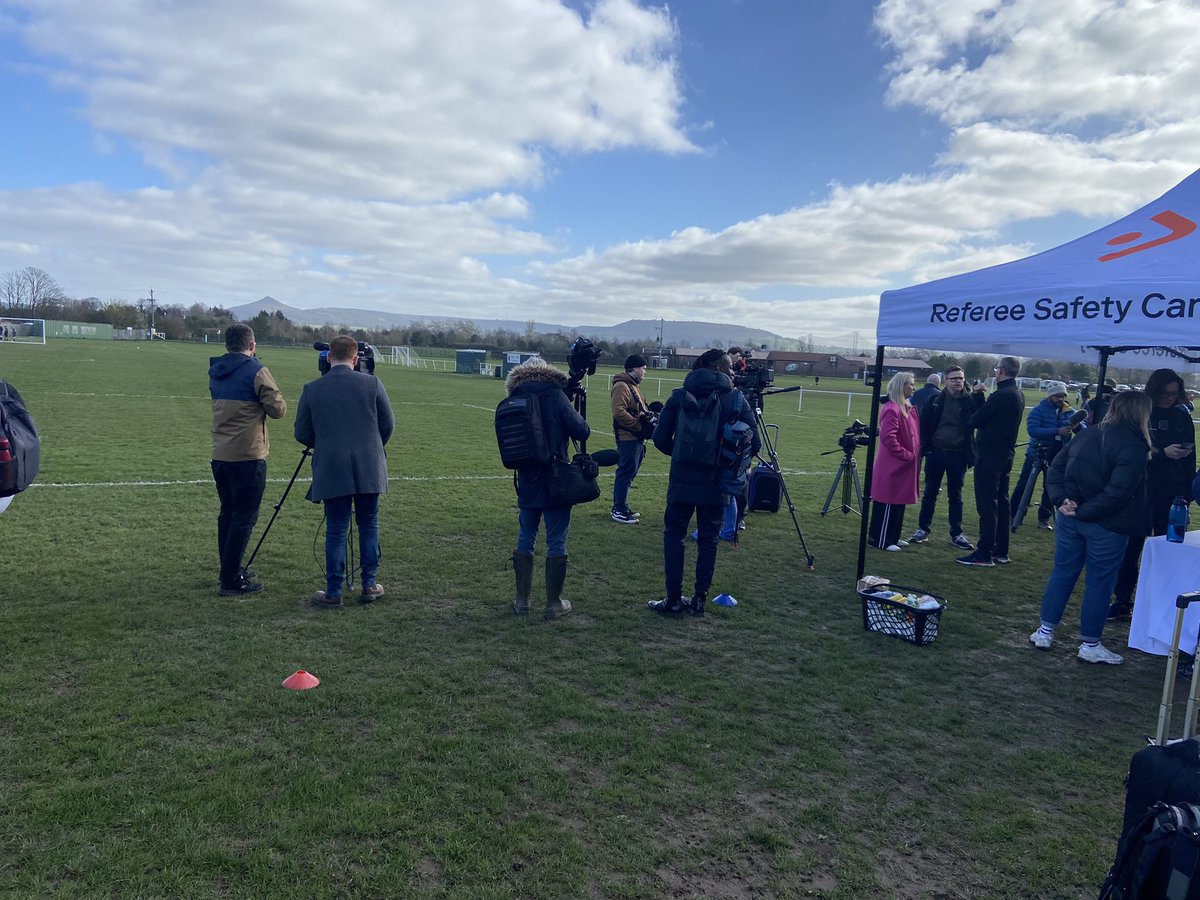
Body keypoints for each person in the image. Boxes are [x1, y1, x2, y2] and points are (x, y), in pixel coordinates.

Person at [1029, 391, 1153, 665]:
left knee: (1063, 573)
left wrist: (1063, 502)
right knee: (1099, 583)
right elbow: (1119, 492)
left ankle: (1045, 631)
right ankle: (1089, 643)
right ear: (1142, 414)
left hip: (1073, 517)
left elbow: (1056, 470)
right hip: (1105, 524)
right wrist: (1072, 506)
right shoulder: (1134, 445)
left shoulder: (1088, 433)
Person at [649, 349, 759, 615]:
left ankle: (673, 599)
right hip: (716, 481)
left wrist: (681, 455)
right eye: (730, 367)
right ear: (718, 369)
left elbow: (660, 438)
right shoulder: (735, 400)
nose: (734, 372)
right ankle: (699, 599)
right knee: (708, 540)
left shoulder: (678, 396)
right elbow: (753, 443)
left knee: (673, 537)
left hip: (681, 480)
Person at [294, 335, 395, 609]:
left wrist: (326, 444)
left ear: (328, 357)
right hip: (370, 466)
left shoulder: (312, 388)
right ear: (355, 358)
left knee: (337, 529)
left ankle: (333, 591)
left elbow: (301, 433)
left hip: (332, 467)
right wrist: (371, 448)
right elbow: (388, 425)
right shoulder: (373, 384)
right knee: (369, 523)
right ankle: (369, 584)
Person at [503, 357, 590, 620]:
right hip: (556, 478)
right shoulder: (555, 395)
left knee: (525, 536)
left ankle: (522, 601)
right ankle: (553, 603)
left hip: (527, 478)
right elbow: (582, 431)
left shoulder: (515, 396)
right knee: (556, 539)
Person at [1108, 369, 1196, 620]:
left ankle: (1161, 603)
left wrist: (1186, 493)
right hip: (1142, 492)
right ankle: (1122, 600)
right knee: (1132, 549)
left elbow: (1191, 455)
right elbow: (1132, 452)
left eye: (1174, 393)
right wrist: (1160, 453)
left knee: (1168, 549)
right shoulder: (1142, 414)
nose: (1170, 398)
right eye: (1165, 393)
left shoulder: (1182, 416)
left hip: (1172, 494)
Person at [209, 323, 287, 596]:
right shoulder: (256, 370)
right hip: (248, 455)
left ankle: (229, 569)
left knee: (228, 514)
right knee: (243, 517)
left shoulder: (216, 370)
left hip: (220, 454)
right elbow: (278, 410)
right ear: (251, 345)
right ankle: (231, 579)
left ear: (226, 345)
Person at [957, 356, 1024, 567]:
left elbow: (976, 420)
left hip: (990, 457)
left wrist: (977, 397)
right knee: (1002, 503)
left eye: (997, 369)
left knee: (987, 505)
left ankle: (984, 552)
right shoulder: (1017, 393)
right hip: (1005, 455)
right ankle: (1000, 551)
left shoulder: (1001, 395)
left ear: (1001, 371)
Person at [910, 365, 975, 551]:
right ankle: (923, 529)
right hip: (936, 453)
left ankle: (957, 532)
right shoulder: (935, 399)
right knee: (930, 492)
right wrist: (927, 449)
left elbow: (979, 417)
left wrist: (978, 396)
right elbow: (923, 425)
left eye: (961, 378)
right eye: (954, 378)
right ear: (945, 380)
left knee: (956, 495)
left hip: (958, 455)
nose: (958, 381)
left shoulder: (969, 401)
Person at [1009, 381, 1075, 531]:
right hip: (1037, 454)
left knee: (1050, 487)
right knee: (1024, 485)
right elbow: (1033, 430)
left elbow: (1080, 427)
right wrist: (1057, 431)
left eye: (1063, 395)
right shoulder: (1038, 410)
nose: (1061, 399)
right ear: (1050, 396)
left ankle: (1044, 518)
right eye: (1057, 396)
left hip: (1058, 455)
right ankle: (1013, 514)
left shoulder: (1069, 411)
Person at [868, 372, 920, 551]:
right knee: (887, 501)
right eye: (911, 384)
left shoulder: (907, 408)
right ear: (901, 386)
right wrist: (906, 454)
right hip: (893, 464)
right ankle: (880, 540)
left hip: (905, 465)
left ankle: (893, 536)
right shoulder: (892, 409)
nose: (914, 387)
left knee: (899, 501)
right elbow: (888, 437)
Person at [610, 354, 650, 524]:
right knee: (625, 473)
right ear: (635, 368)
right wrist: (637, 425)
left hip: (636, 437)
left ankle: (623, 506)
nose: (645, 372)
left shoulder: (632, 386)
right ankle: (618, 509)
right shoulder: (622, 386)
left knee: (629, 473)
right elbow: (619, 412)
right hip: (628, 437)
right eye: (643, 368)